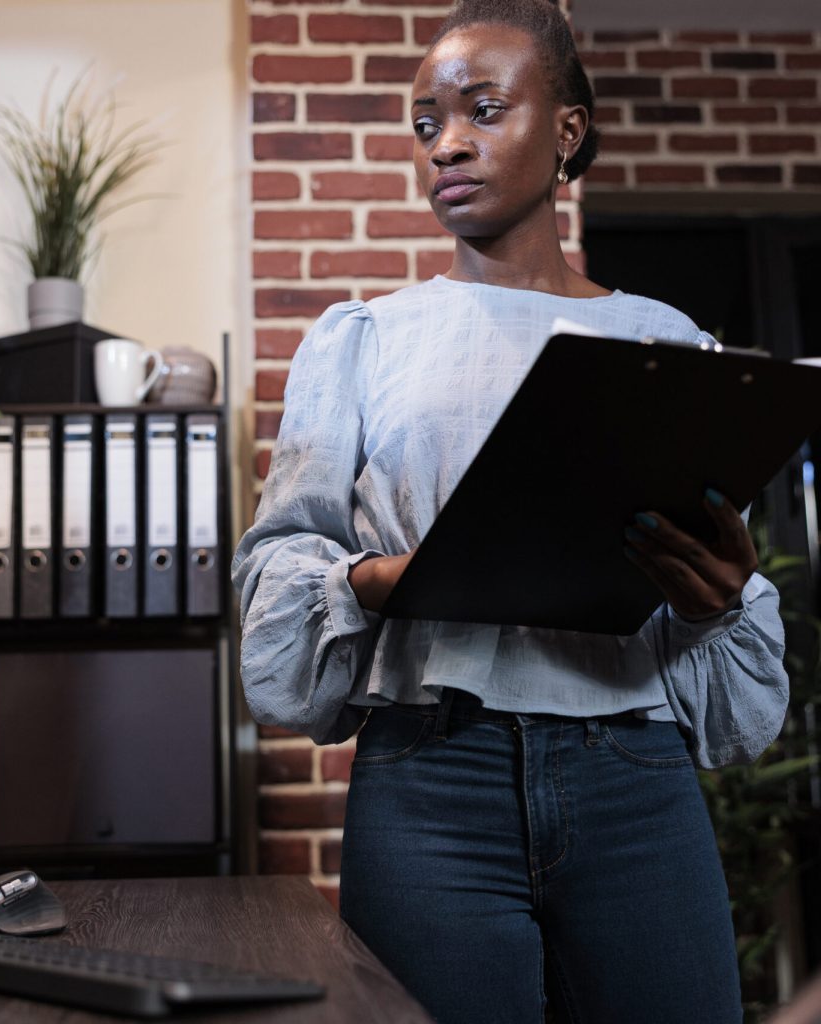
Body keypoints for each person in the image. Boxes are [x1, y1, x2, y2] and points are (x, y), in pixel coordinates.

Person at [232, 1, 789, 1021]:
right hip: (429, 783)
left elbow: (735, 663)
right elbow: (278, 585)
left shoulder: (663, 342)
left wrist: (719, 597)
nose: (446, 142)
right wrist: (371, 579)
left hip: (635, 779)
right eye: (426, 122)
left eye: (483, 109)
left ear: (566, 130)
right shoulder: (363, 340)